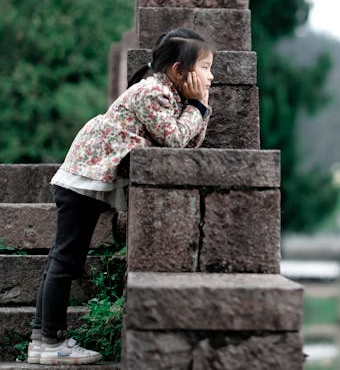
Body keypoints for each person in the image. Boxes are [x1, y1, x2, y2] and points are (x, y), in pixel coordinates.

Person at [28, 28, 214, 365]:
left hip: (89, 177)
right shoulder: (152, 92)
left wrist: (196, 108)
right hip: (84, 178)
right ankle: (49, 341)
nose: (210, 75)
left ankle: (43, 340)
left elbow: (186, 146)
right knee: (66, 259)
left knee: (64, 258)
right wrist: (199, 106)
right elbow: (174, 142)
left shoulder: (169, 95)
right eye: (205, 67)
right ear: (178, 70)